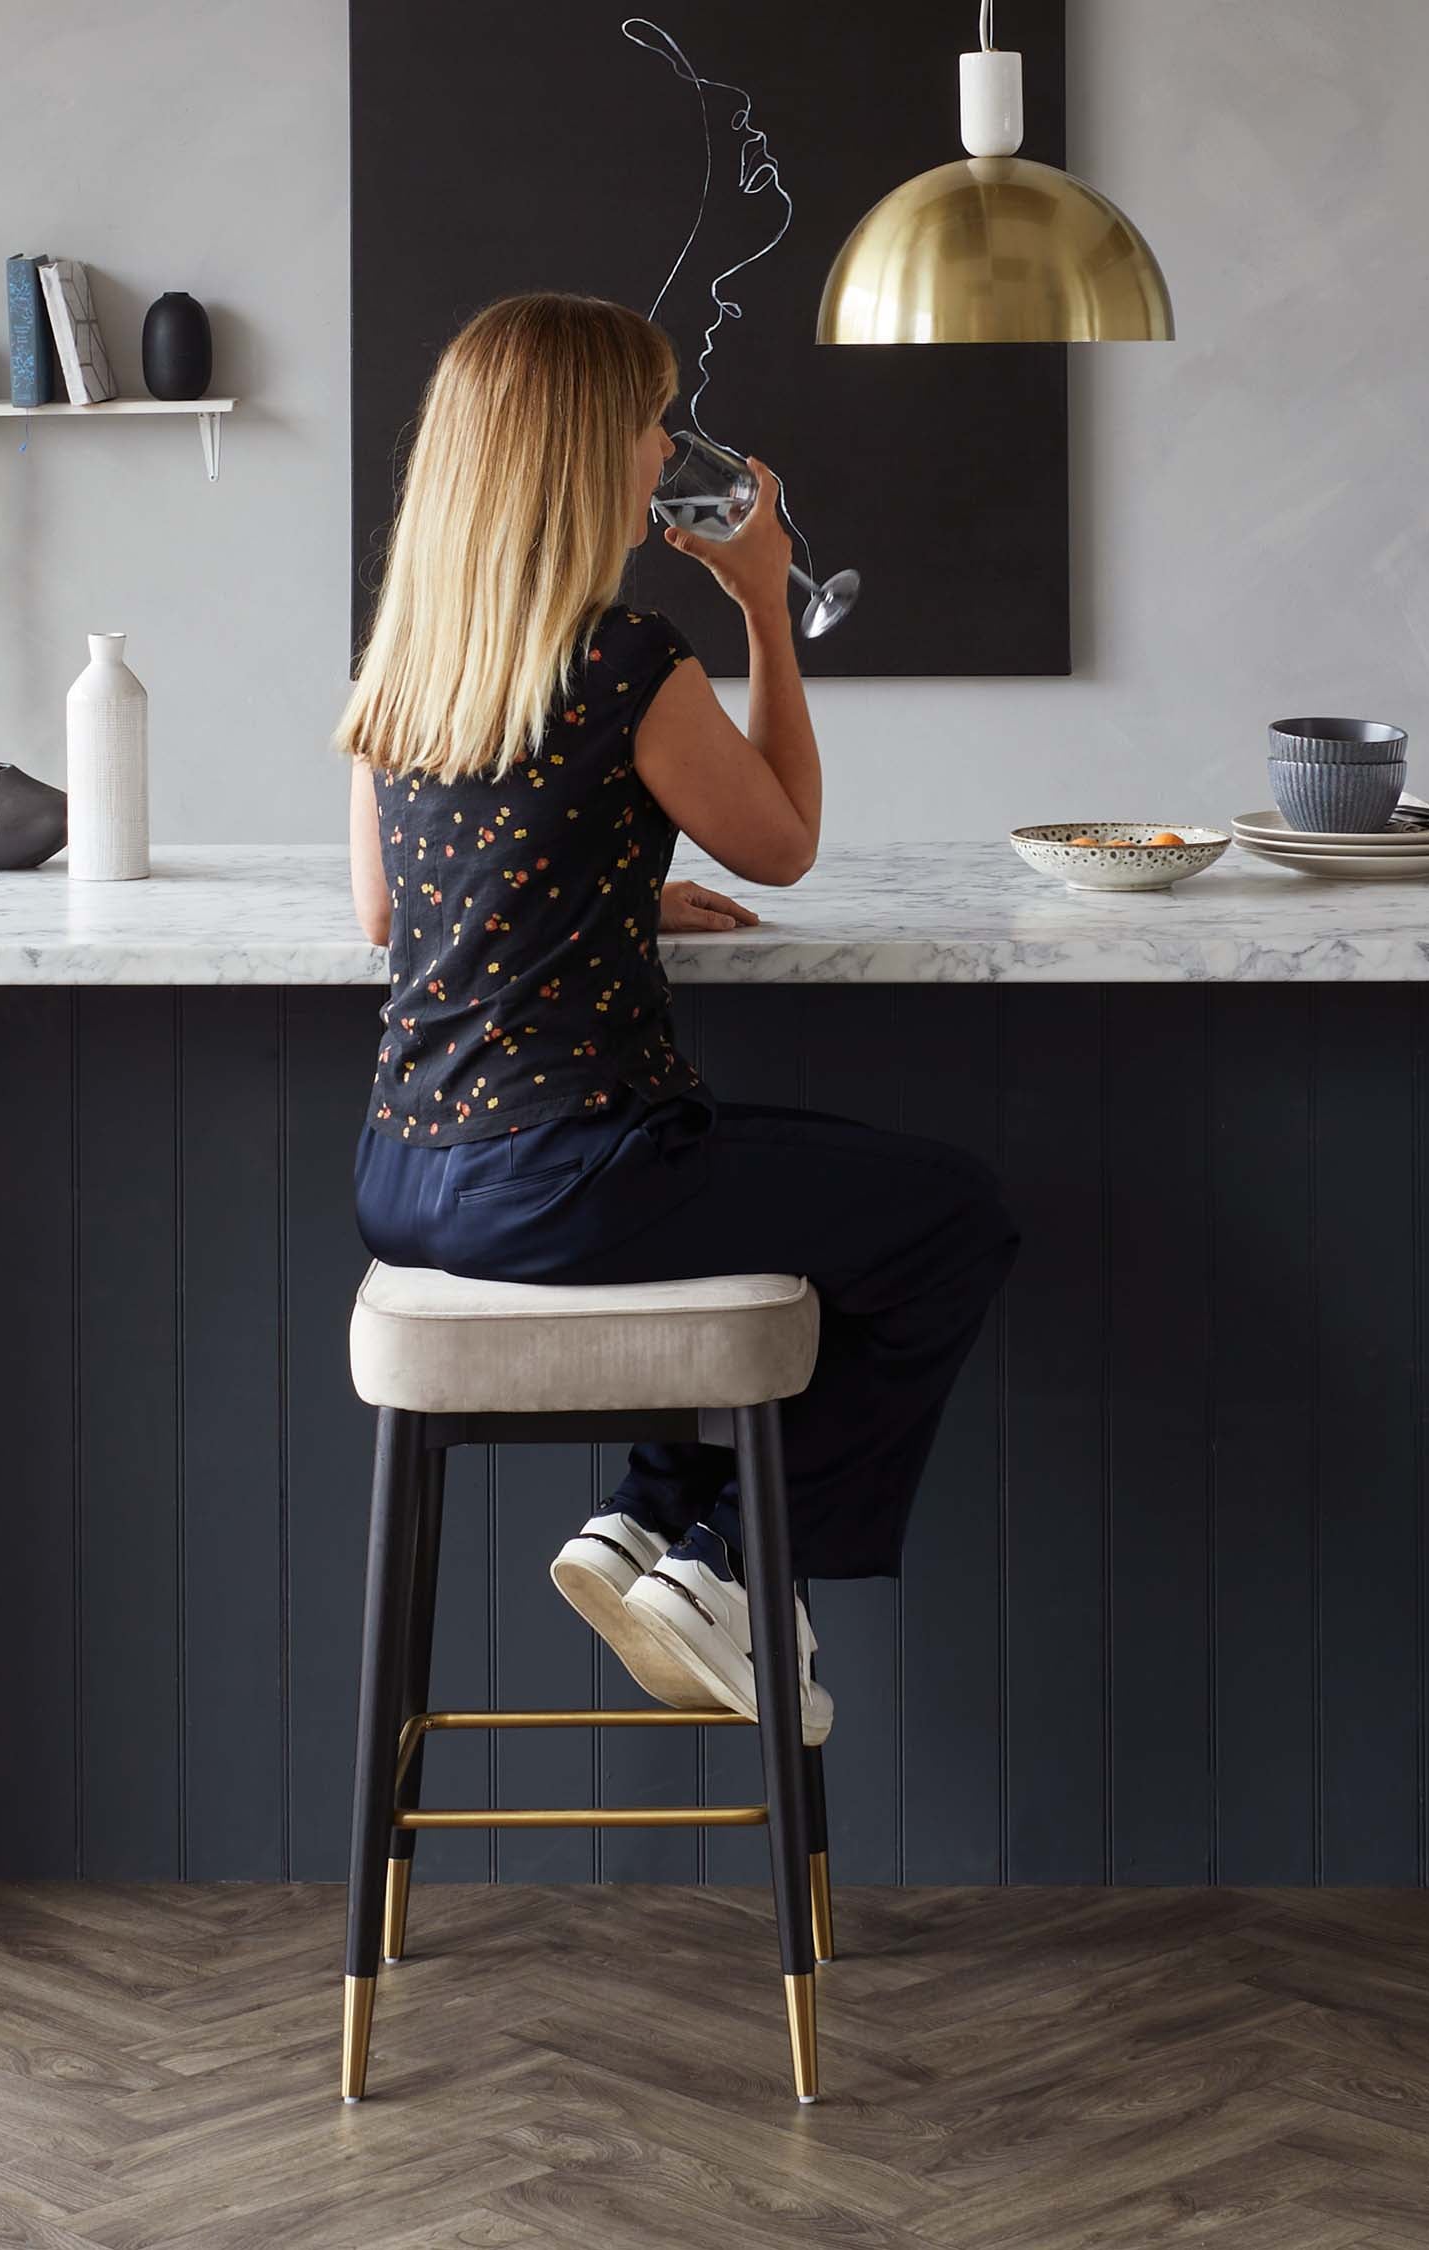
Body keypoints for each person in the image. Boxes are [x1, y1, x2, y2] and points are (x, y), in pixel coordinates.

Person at [331, 291, 1019, 1744]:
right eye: (647, 423)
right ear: (588, 453)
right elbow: (781, 843)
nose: (664, 451)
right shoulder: (629, 658)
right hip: (569, 1178)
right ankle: (728, 1574)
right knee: (948, 1215)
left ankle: (642, 1524)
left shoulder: (404, 661)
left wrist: (616, 897)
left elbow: (395, 914)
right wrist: (765, 601)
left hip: (404, 1181)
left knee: (764, 1201)